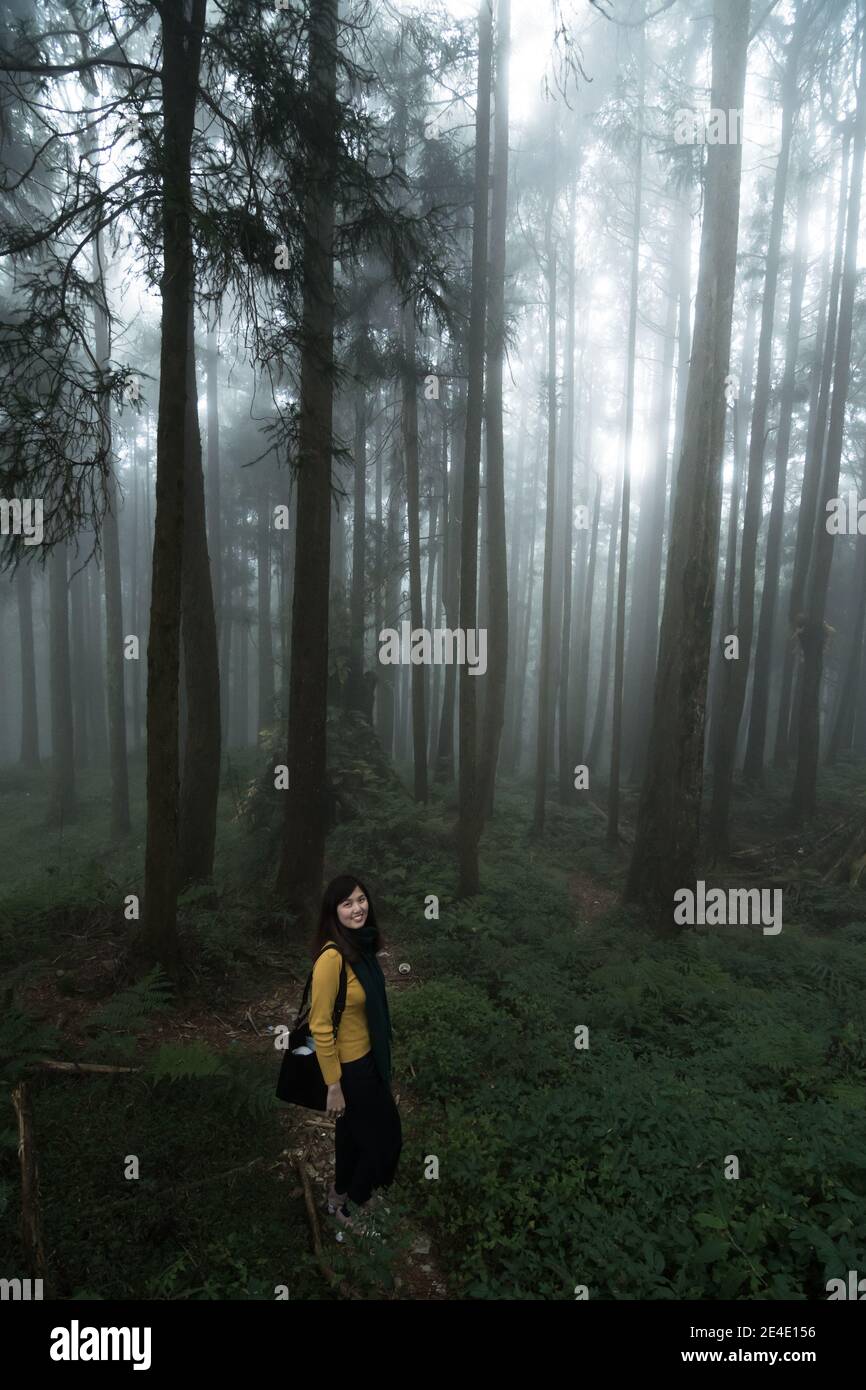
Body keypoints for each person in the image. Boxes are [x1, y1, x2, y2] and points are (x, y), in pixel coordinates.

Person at [308, 874, 402, 1240]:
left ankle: (338, 1195)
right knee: (385, 1138)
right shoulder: (332, 958)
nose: (357, 908)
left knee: (350, 1135)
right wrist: (333, 1085)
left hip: (368, 1058)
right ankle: (353, 1208)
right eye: (347, 903)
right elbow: (319, 1024)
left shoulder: (360, 948)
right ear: (333, 911)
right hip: (351, 1069)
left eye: (361, 899)